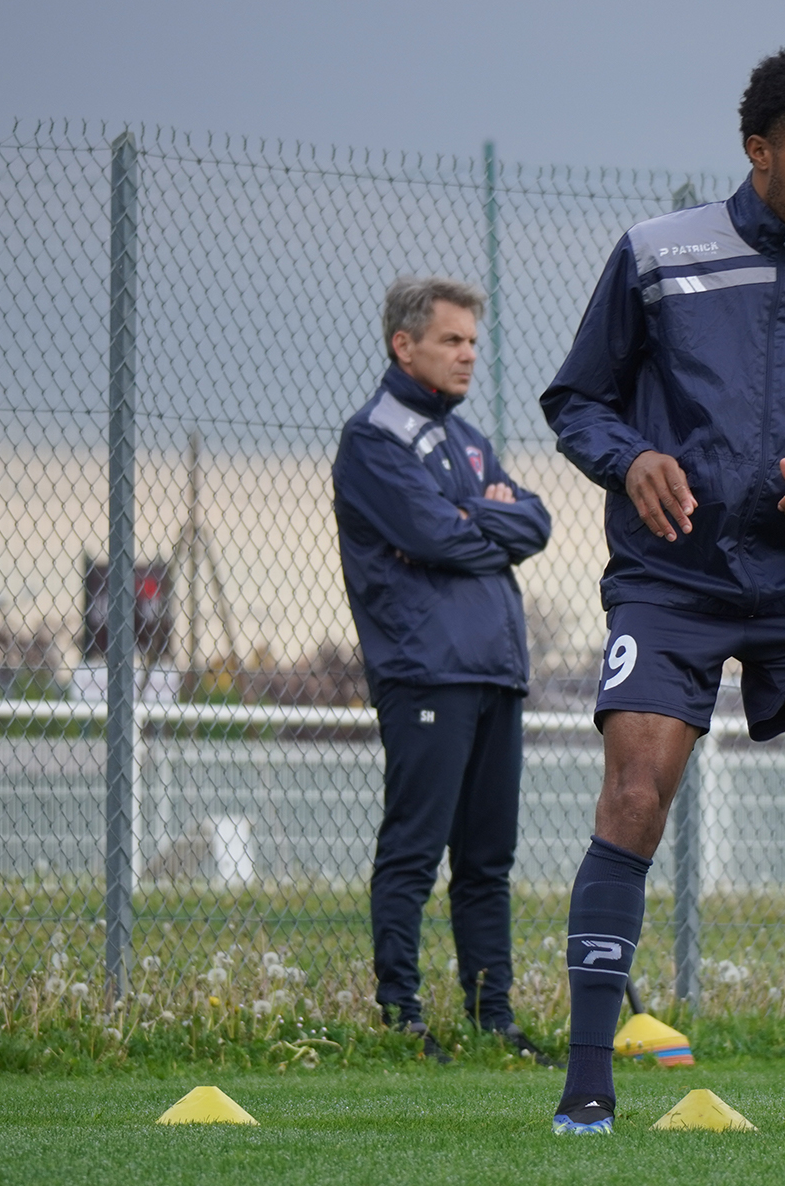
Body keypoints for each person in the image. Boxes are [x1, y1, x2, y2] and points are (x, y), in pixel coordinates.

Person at [540, 48, 785, 1134]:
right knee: (635, 792)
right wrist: (631, 460)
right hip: (673, 577)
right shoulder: (655, 258)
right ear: (757, 152)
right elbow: (578, 399)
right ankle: (587, 1083)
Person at [333, 275, 553, 1063]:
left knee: (488, 859)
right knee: (414, 852)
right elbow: (439, 537)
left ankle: (494, 1021)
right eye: (452, 341)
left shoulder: (464, 438)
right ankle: (403, 1018)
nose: (467, 355)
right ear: (405, 345)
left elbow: (536, 520)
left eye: (471, 341)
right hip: (427, 672)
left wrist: (481, 514)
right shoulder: (373, 441)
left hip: (495, 668)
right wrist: (480, 520)